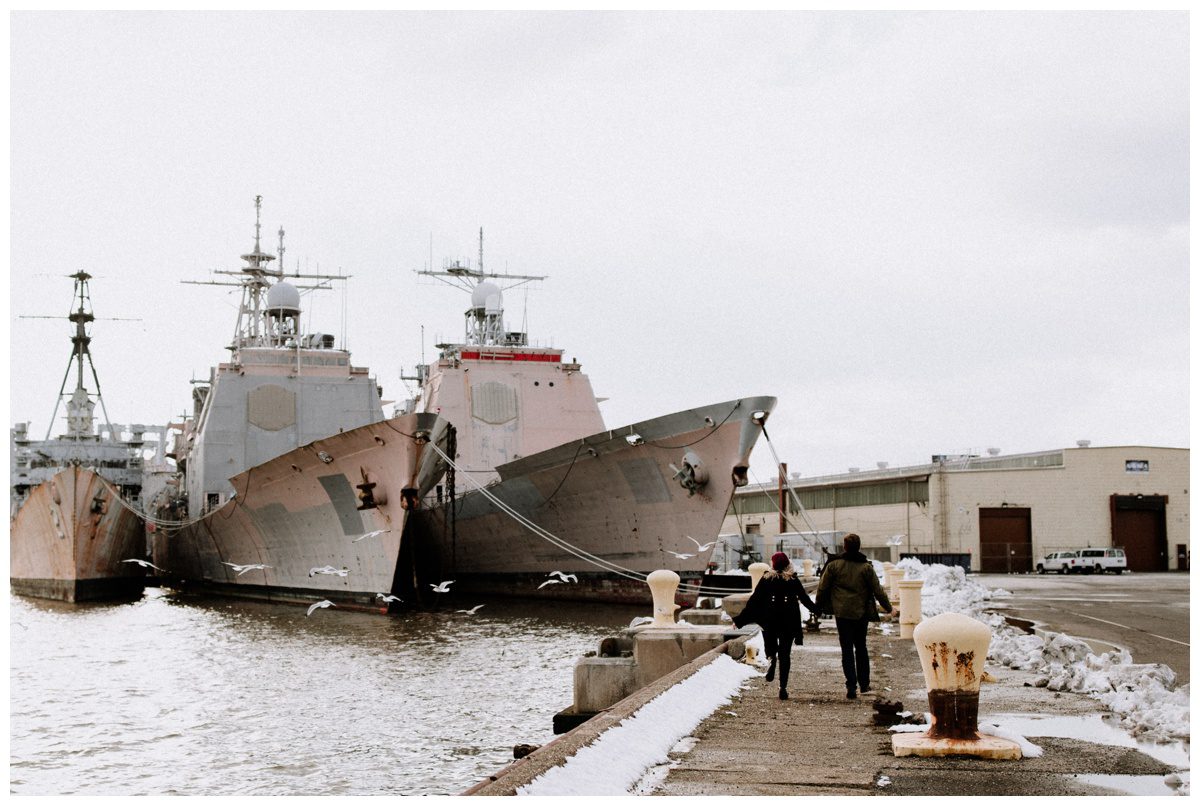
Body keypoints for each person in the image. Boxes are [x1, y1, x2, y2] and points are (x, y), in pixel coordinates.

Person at [815, 533, 893, 699]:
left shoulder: (834, 565)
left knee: (846, 649)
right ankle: (864, 684)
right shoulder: (866, 568)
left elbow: (822, 588)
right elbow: (877, 590)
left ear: (844, 547)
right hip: (860, 613)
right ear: (859, 547)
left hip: (842, 613)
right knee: (861, 647)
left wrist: (818, 607)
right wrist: (888, 607)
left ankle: (851, 686)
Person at [732, 551, 817, 700]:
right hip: (788, 622)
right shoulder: (792, 580)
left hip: (769, 620)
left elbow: (754, 602)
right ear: (787, 564)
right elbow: (804, 599)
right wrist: (818, 610)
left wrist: (739, 620)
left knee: (771, 646)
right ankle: (783, 687)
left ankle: (771, 658)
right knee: (785, 654)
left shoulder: (766, 579)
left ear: (773, 564)